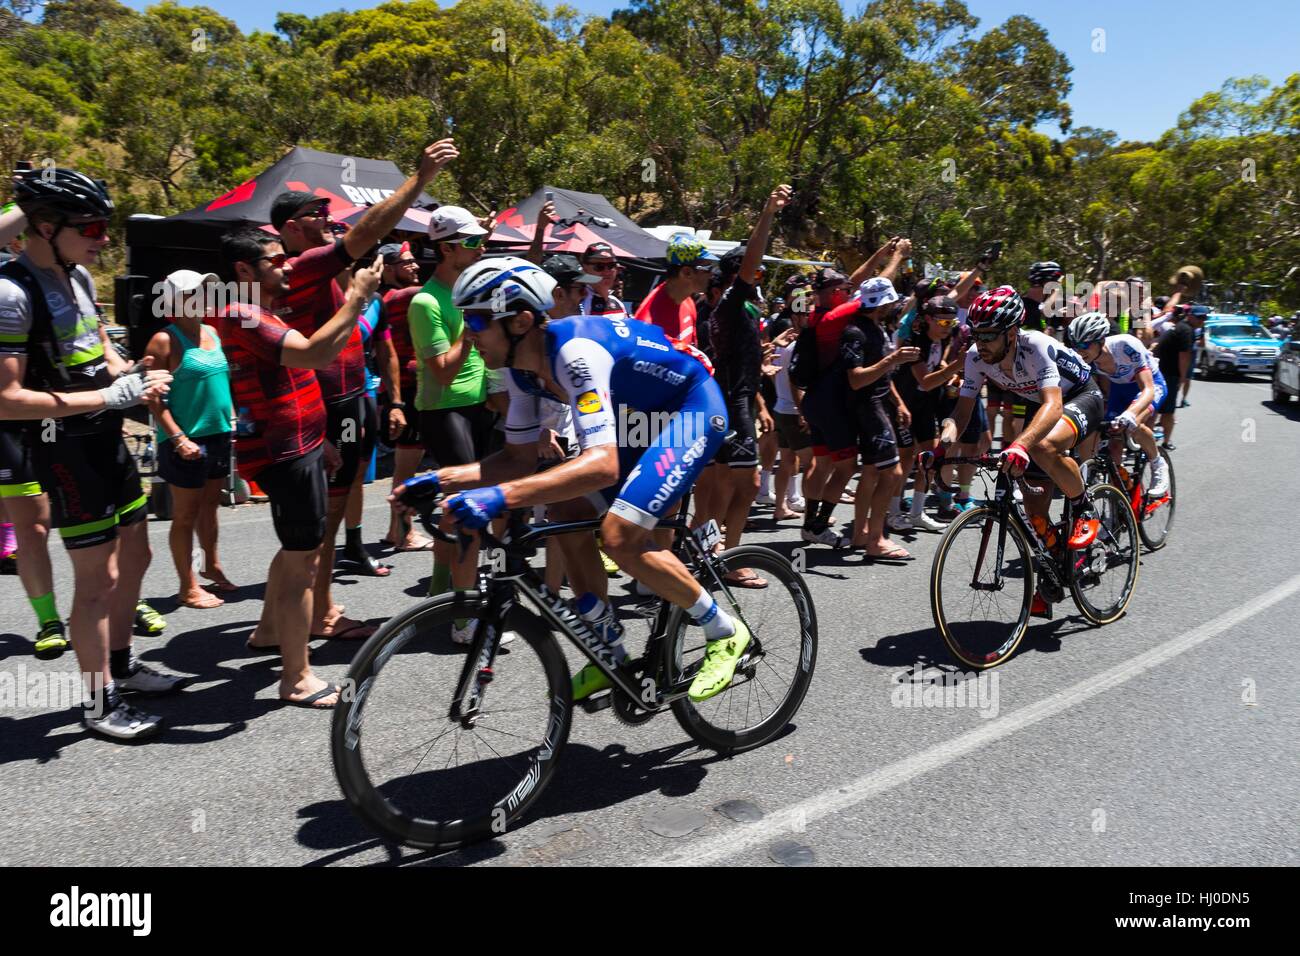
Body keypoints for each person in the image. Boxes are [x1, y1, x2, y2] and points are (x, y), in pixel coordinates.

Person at [395, 256, 748, 704]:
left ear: (521, 321)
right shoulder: (521, 368)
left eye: (478, 320)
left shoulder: (574, 354)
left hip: (688, 407)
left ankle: (722, 628)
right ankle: (609, 648)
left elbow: (601, 465)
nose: (469, 333)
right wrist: (440, 479)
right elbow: (517, 458)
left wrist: (497, 497)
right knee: (565, 509)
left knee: (621, 536)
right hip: (635, 415)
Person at [1, 168, 180, 739]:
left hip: (104, 433)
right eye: (94, 227)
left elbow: (99, 345)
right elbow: (6, 399)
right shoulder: (11, 293)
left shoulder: (76, 274)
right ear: (45, 227)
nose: (105, 238)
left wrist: (135, 376)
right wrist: (109, 393)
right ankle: (99, 703)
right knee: (96, 577)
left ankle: (122, 666)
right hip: (63, 446)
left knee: (137, 557)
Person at [269, 138, 460, 640]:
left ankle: (282, 621)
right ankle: (318, 614)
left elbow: (379, 345)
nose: (328, 220)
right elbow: (369, 227)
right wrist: (419, 181)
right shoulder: (302, 269)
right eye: (315, 213)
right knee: (320, 524)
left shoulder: (325, 273)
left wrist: (392, 400)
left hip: (352, 402)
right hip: (325, 410)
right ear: (289, 228)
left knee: (323, 521)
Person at [215, 228, 383, 708]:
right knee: (302, 564)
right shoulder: (241, 314)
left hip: (303, 444)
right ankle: (297, 677)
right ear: (244, 271)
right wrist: (355, 298)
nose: (287, 266)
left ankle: (270, 632)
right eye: (275, 261)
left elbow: (296, 376)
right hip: (283, 453)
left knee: (296, 552)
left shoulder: (263, 308)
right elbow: (315, 353)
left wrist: (322, 438)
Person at [940, 286, 1106, 617]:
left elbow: (1054, 404)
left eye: (988, 335)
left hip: (1079, 397)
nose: (980, 344)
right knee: (1034, 510)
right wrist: (940, 448)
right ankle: (1053, 567)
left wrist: (1019, 445)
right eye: (976, 334)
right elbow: (961, 413)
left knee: (1042, 446)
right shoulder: (976, 357)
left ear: (1012, 332)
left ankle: (1084, 509)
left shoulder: (1037, 346)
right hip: (1039, 404)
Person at [409, 203, 497, 642]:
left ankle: (443, 594)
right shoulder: (426, 301)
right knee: (469, 512)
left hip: (479, 405)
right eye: (472, 242)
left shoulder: (468, 286)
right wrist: (470, 323)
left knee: (460, 511)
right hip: (444, 411)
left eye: (482, 240)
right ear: (445, 248)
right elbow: (442, 370)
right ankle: (463, 617)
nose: (481, 248)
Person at [698, 186, 790, 587]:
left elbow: (744, 359)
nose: (761, 276)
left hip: (740, 399)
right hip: (727, 402)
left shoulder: (748, 308)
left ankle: (710, 549)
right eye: (756, 272)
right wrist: (768, 212)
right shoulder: (733, 301)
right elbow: (752, 257)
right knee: (749, 483)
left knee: (722, 483)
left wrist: (761, 405)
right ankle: (731, 560)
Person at [143, 269, 236, 609]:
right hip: (186, 441)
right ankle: (188, 585)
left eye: (204, 291)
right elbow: (152, 397)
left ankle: (212, 565)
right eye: (191, 293)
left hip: (219, 435)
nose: (200, 298)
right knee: (184, 515)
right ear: (172, 300)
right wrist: (178, 437)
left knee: (210, 507)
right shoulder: (163, 340)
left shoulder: (212, 331)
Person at [841, 282, 920, 558]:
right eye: (889, 302)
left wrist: (898, 403)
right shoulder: (855, 332)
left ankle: (861, 533)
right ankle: (876, 539)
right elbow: (855, 379)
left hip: (880, 405)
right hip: (867, 408)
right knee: (893, 473)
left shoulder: (877, 328)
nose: (892, 307)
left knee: (873, 472)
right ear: (880, 303)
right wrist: (892, 360)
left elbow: (883, 377)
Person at [1066, 312, 1171, 496]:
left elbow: (1148, 390)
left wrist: (1130, 414)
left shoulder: (1126, 345)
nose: (1079, 351)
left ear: (1101, 341)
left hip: (1150, 384)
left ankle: (1158, 464)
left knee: (1134, 424)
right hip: (1120, 390)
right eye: (1075, 345)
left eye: (1084, 345)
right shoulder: (1085, 359)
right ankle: (1119, 494)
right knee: (1112, 441)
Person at [889, 295, 965, 534]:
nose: (948, 328)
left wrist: (949, 373)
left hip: (923, 404)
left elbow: (936, 368)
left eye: (951, 323)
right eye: (943, 322)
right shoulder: (915, 342)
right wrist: (956, 366)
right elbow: (925, 380)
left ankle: (917, 512)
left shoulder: (942, 338)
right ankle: (893, 512)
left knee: (929, 459)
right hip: (902, 404)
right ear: (929, 319)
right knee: (905, 459)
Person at [374, 242, 430, 551]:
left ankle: (396, 530)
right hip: (407, 390)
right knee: (407, 467)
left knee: (405, 466)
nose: (416, 266)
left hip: (408, 388)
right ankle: (405, 532)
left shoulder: (393, 297)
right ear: (390, 268)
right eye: (407, 262)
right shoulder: (401, 296)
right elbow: (438, 289)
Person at [635, 233, 717, 346]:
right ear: (686, 273)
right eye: (708, 268)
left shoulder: (688, 301)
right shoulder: (647, 323)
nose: (712, 274)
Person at [1152, 304, 1200, 450]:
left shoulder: (1179, 326)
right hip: (1169, 373)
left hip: (1159, 371)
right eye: (1200, 317)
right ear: (1190, 316)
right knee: (1167, 411)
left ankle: (1146, 441)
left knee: (1154, 408)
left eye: (1204, 318)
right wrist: (1183, 377)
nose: (1202, 321)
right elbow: (1184, 356)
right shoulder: (1186, 330)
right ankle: (1166, 442)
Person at [578, 241, 631, 318]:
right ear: (585, 269)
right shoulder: (578, 300)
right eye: (599, 266)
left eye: (611, 265)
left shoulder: (617, 303)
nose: (607, 272)